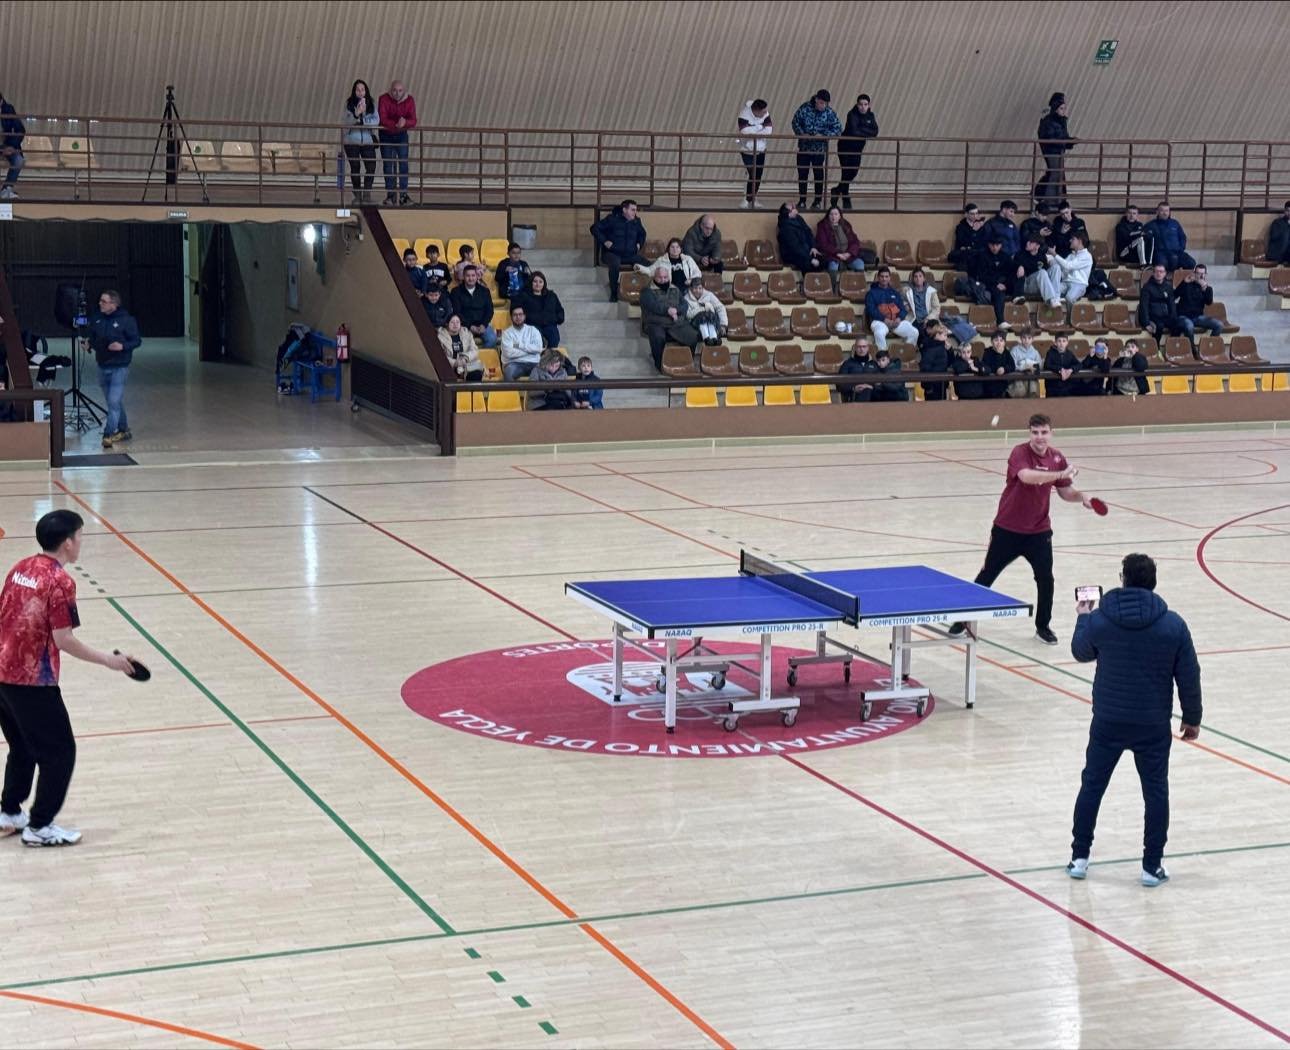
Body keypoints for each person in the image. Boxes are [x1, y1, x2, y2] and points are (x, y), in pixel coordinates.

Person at [0, 510, 137, 847]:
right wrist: (109, 660)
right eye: (80, 536)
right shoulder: (60, 582)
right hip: (32, 682)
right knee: (60, 753)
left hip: (2, 673)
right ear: (67, 543)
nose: (81, 542)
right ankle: (39, 826)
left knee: (23, 746)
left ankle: (10, 812)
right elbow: (64, 640)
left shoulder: (21, 568)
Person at [1066, 552, 1202, 887]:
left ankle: (1079, 858)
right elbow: (1189, 675)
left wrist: (1083, 617)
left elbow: (1080, 652)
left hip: (1108, 721)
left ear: (1123, 580)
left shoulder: (1100, 620)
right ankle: (1151, 867)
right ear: (1153, 583)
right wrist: (1192, 717)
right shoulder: (1173, 625)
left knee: (1092, 786)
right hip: (1152, 725)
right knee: (1155, 793)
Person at [949, 414, 1100, 644]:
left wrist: (1083, 497)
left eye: (1044, 432)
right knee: (987, 575)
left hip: (1039, 532)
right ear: (1029, 433)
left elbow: (1065, 492)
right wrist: (1060, 474)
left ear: (1051, 433)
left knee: (1046, 579)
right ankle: (962, 620)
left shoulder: (1057, 457)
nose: (1040, 437)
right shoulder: (1019, 453)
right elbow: (1027, 477)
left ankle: (1043, 627)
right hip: (1007, 529)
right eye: (1035, 432)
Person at [81, 290, 141, 450]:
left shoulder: (126, 320)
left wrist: (123, 346)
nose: (100, 303)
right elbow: (93, 338)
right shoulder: (97, 319)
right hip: (102, 365)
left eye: (104, 301)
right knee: (113, 401)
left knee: (113, 401)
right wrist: (88, 344)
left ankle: (108, 434)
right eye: (100, 300)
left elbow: (136, 340)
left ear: (113, 304)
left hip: (119, 367)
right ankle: (123, 429)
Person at [640, 267, 699, 370]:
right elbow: (653, 306)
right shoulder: (647, 291)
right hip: (656, 323)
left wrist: (676, 310)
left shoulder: (675, 289)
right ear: (654, 277)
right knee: (658, 337)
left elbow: (684, 305)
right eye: (660, 278)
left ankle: (686, 362)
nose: (663, 280)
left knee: (693, 336)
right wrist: (668, 310)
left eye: (665, 277)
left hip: (676, 323)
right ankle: (660, 365)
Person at [791, 90, 841, 210]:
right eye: (821, 103)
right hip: (804, 148)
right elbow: (795, 122)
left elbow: (838, 129)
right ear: (816, 100)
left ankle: (817, 201)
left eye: (825, 103)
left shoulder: (829, 112)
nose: (823, 106)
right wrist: (802, 134)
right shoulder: (805, 108)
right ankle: (802, 200)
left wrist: (824, 135)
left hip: (819, 150)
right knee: (803, 174)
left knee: (818, 175)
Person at [590, 199, 647, 303]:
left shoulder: (636, 221)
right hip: (612, 253)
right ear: (624, 210)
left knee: (648, 264)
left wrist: (639, 244)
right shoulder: (612, 219)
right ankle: (614, 292)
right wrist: (605, 241)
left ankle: (645, 293)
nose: (635, 212)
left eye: (636, 210)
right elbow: (594, 228)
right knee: (615, 263)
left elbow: (642, 234)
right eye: (632, 210)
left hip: (630, 254)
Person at [904, 267, 976, 345]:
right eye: (915, 276)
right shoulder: (907, 291)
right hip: (915, 319)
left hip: (929, 318)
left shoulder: (931, 291)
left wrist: (928, 319)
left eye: (920, 276)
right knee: (919, 332)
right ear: (913, 279)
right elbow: (903, 303)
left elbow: (936, 308)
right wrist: (906, 305)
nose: (918, 278)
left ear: (924, 278)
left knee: (935, 331)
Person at [832, 94, 878, 209]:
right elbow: (854, 131)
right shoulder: (851, 114)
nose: (863, 107)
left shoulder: (871, 115)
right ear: (857, 105)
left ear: (869, 105)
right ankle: (846, 198)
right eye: (860, 104)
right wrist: (866, 129)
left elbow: (875, 132)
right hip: (845, 147)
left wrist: (861, 128)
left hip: (857, 149)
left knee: (853, 172)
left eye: (865, 104)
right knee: (846, 172)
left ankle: (837, 190)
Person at [377, 80, 417, 206]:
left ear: (404, 91)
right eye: (394, 90)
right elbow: (382, 118)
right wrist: (396, 124)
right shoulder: (383, 99)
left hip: (401, 135)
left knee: (403, 165)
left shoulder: (409, 100)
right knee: (388, 166)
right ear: (390, 90)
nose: (397, 93)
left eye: (400, 91)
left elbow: (413, 120)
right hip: (386, 136)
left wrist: (405, 123)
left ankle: (403, 195)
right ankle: (391, 195)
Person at [342, 79, 379, 203]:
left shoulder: (371, 104)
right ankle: (357, 194)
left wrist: (363, 121)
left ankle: (367, 193)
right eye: (358, 90)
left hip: (367, 140)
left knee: (371, 166)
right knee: (355, 167)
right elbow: (346, 122)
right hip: (352, 140)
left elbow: (376, 120)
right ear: (354, 91)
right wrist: (356, 114)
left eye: (362, 90)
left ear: (366, 91)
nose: (360, 92)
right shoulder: (349, 104)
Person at [865, 267, 919, 351]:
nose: (884, 279)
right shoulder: (871, 293)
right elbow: (871, 310)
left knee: (914, 332)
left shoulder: (894, 292)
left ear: (889, 278)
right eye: (882, 276)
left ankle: (905, 353)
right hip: (879, 321)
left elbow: (902, 309)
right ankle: (883, 356)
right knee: (879, 333)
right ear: (878, 278)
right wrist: (884, 319)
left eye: (886, 276)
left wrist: (899, 318)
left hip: (895, 322)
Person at [1035, 93, 1075, 205]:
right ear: (1055, 108)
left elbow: (1062, 136)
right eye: (1061, 108)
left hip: (1057, 150)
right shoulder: (1049, 121)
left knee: (1054, 172)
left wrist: (1070, 141)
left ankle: (1039, 194)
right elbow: (1050, 138)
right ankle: (1051, 200)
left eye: (1064, 108)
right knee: (1056, 173)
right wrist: (1068, 142)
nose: (1064, 111)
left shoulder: (1060, 120)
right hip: (1051, 151)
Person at [1173, 264, 1224, 347]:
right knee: (1189, 326)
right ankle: (1192, 349)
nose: (1200, 276)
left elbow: (1209, 302)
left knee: (1219, 325)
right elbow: (1174, 296)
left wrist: (1204, 288)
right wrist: (1184, 282)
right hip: (1183, 316)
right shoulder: (1186, 283)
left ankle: (1207, 347)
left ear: (1206, 275)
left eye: (1202, 274)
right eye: (1198, 273)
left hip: (1198, 317)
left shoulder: (1208, 289)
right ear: (1194, 273)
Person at [967, 235, 1013, 326]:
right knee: (999, 293)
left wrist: (1006, 285)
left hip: (1003, 283)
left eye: (997, 245)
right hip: (988, 283)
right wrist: (996, 283)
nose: (995, 248)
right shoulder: (982, 256)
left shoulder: (1006, 257)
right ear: (988, 245)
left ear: (1001, 245)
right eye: (992, 245)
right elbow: (981, 275)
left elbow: (1010, 273)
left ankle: (1017, 298)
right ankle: (1000, 321)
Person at [449, 266, 498, 348]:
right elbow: (457, 312)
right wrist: (470, 326)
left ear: (477, 276)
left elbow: (489, 310)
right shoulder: (456, 292)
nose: (471, 278)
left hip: (482, 325)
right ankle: (469, 356)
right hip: (464, 325)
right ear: (463, 277)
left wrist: (484, 325)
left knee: (492, 339)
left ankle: (483, 355)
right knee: (462, 342)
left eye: (473, 275)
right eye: (468, 276)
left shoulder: (485, 291)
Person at [737, 99, 772, 209]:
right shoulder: (743, 115)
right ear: (756, 111)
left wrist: (754, 130)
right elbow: (744, 131)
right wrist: (760, 127)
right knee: (751, 174)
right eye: (763, 112)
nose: (765, 113)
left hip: (761, 149)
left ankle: (753, 198)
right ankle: (746, 199)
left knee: (758, 176)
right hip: (747, 150)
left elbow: (769, 130)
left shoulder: (765, 113)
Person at [1139, 264, 1187, 343]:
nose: (1159, 274)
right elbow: (1144, 306)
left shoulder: (1168, 286)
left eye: (1161, 271)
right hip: (1152, 316)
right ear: (1153, 273)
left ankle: (1171, 345)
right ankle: (1156, 347)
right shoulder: (1147, 287)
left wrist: (1174, 318)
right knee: (1159, 326)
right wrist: (1146, 323)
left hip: (1165, 316)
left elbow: (1172, 304)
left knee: (1178, 325)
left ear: (1165, 273)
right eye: (1157, 271)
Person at [814, 207, 865, 281]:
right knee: (833, 266)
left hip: (848, 255)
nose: (833, 216)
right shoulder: (822, 226)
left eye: (836, 214)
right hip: (832, 256)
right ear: (828, 215)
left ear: (840, 216)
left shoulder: (846, 225)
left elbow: (855, 241)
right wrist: (838, 254)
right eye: (831, 214)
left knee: (860, 264)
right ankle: (832, 287)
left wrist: (849, 253)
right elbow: (823, 244)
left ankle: (857, 286)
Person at [517, 271, 565, 350]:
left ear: (544, 283)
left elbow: (560, 311)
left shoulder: (551, 296)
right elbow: (518, 311)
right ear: (531, 283)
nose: (538, 284)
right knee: (536, 339)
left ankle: (550, 355)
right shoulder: (524, 296)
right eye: (535, 281)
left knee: (554, 338)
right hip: (532, 325)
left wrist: (556, 319)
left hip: (549, 324)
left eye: (540, 282)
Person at [1144, 202, 1195, 273]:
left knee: (1191, 263)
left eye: (1166, 211)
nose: (1164, 213)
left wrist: (1181, 248)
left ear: (1169, 212)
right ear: (1157, 212)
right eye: (1162, 210)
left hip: (1177, 252)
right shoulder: (1150, 225)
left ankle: (1181, 278)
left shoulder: (1175, 223)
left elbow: (1182, 237)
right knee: (1163, 265)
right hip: (1160, 253)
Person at [1044, 231, 1093, 304]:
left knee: (1069, 298)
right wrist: (1049, 256)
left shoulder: (1087, 256)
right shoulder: (1071, 255)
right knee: (1051, 294)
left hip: (1079, 284)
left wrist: (1054, 254)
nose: (1070, 240)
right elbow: (1061, 267)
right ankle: (1057, 308)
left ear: (1079, 241)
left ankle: (1069, 312)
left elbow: (1068, 266)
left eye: (1073, 239)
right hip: (1065, 282)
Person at [500, 305, 544, 380]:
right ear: (511, 317)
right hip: (514, 363)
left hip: (534, 363)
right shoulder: (506, 333)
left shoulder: (533, 330)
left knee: (545, 370)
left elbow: (538, 348)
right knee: (509, 371)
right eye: (515, 315)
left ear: (524, 316)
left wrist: (518, 345)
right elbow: (509, 353)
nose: (518, 317)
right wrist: (531, 351)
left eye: (520, 314)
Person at [777, 202, 823, 274]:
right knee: (808, 264)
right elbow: (795, 247)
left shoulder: (798, 218)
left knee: (824, 259)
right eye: (793, 208)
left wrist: (813, 247)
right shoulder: (785, 227)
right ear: (789, 213)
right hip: (792, 255)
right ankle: (808, 281)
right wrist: (810, 259)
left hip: (806, 251)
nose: (796, 209)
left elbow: (808, 232)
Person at [1012, 235, 1059, 304]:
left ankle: (1056, 297)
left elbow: (1046, 276)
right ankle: (1051, 299)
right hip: (1026, 285)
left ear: (1037, 246)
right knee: (1042, 272)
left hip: (1039, 286)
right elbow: (1013, 268)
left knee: (1056, 267)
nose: (1027, 243)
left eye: (1031, 242)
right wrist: (1019, 266)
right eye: (1028, 241)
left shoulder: (1042, 256)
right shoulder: (1020, 254)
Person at [437, 314, 484, 381]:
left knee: (476, 374)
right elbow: (440, 356)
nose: (455, 324)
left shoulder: (467, 333)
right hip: (449, 367)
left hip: (466, 366)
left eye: (457, 322)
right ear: (447, 324)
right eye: (452, 322)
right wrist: (455, 363)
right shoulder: (440, 336)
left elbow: (474, 350)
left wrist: (465, 358)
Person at [683, 276, 728, 345]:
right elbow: (687, 315)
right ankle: (706, 337)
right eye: (695, 288)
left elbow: (720, 308)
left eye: (700, 288)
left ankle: (714, 337)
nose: (697, 291)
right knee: (702, 316)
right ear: (691, 288)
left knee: (709, 314)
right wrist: (702, 308)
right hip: (694, 325)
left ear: (702, 288)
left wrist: (723, 325)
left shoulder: (709, 295)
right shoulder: (686, 298)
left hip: (710, 319)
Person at [0, 90, 25, 201]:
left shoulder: (9, 109)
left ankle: (7, 189)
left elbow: (20, 130)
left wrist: (12, 146)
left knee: (19, 160)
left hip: (8, 145)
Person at [919, 323, 952, 401]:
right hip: (932, 386)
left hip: (942, 384)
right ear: (937, 335)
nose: (946, 338)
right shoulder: (929, 348)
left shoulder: (944, 347)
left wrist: (950, 350)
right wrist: (928, 387)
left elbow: (950, 363)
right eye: (945, 335)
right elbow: (925, 368)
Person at [837, 338, 877, 403]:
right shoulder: (847, 364)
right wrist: (853, 388)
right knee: (865, 392)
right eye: (859, 347)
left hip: (873, 394)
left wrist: (871, 387)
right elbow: (839, 385)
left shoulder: (874, 364)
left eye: (864, 346)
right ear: (855, 348)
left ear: (868, 348)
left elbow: (881, 383)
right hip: (854, 395)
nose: (862, 349)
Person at [949, 203, 988, 269]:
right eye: (972, 214)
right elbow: (962, 242)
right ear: (966, 214)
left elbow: (983, 241)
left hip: (977, 252)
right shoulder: (961, 227)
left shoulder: (981, 226)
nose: (975, 216)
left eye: (976, 213)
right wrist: (973, 231)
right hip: (964, 253)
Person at [1008, 328, 1043, 398]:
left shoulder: (1035, 352)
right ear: (1021, 338)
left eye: (1029, 338)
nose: (1026, 340)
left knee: (1033, 389)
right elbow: (1012, 365)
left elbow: (1040, 366)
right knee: (1020, 391)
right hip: (1017, 378)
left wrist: (1034, 367)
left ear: (1032, 339)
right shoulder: (1015, 350)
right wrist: (1024, 367)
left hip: (1031, 377)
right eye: (1024, 338)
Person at [1044, 332, 1080, 397]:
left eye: (1064, 341)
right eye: (1059, 341)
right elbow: (1047, 365)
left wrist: (1071, 370)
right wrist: (1060, 369)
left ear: (1067, 343)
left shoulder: (1070, 353)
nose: (1061, 343)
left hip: (1067, 386)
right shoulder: (1050, 353)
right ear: (1055, 343)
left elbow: (1079, 364)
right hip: (1052, 387)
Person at [981, 330, 1012, 399]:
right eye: (996, 340)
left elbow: (1012, 365)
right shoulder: (987, 352)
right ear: (992, 342)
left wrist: (1004, 369)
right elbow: (986, 365)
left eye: (1001, 340)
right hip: (990, 382)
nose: (999, 343)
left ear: (1004, 343)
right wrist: (996, 369)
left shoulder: (1006, 352)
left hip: (1003, 382)